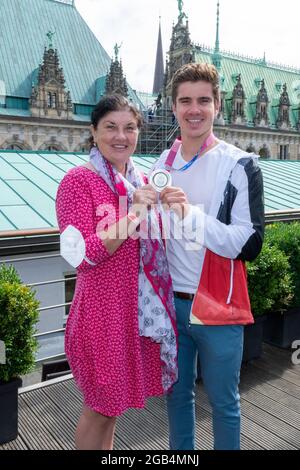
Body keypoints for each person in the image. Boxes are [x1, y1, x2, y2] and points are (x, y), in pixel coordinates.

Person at [150, 63, 264, 450]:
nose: (193, 109)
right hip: (170, 307)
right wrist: (139, 209)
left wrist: (190, 216)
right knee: (177, 398)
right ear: (174, 107)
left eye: (203, 100)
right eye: (185, 101)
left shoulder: (239, 164)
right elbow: (150, 235)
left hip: (217, 307)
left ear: (217, 104)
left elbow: (249, 243)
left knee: (224, 404)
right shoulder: (161, 164)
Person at [56, 94, 177, 450]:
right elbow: (84, 255)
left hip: (131, 314)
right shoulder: (79, 181)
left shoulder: (138, 181)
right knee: (99, 409)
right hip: (101, 316)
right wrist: (135, 213)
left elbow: (151, 249)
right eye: (110, 127)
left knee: (111, 410)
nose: (120, 136)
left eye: (129, 127)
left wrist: (172, 209)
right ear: (93, 132)